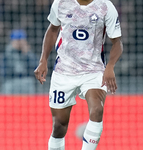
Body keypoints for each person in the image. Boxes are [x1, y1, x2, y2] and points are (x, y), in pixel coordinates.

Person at [34, 0, 123, 149]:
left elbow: (117, 42)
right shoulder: (61, 3)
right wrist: (43, 60)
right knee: (59, 126)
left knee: (97, 110)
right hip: (64, 71)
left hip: (93, 70)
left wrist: (110, 67)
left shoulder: (105, 6)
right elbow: (52, 30)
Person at [0, 29, 38, 94]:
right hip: (11, 80)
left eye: (21, 40)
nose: (19, 43)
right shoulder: (7, 53)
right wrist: (13, 51)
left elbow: (35, 68)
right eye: (17, 40)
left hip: (26, 80)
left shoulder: (28, 53)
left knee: (29, 82)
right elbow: (5, 71)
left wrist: (27, 54)